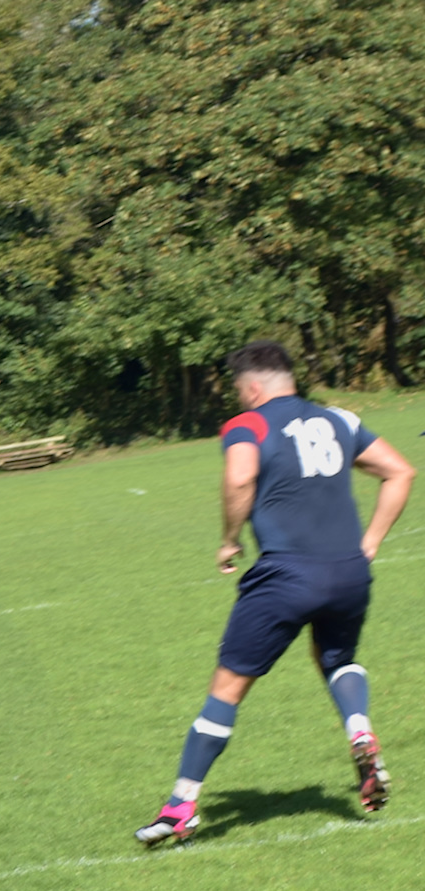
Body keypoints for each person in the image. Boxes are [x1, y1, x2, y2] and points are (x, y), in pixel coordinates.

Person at [135, 340, 415, 846]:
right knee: (336, 659)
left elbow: (240, 479)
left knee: (227, 689)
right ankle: (358, 729)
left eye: (240, 390)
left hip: (286, 575)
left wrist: (228, 540)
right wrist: (368, 543)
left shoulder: (249, 425)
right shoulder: (340, 419)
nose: (240, 399)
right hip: (349, 571)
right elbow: (401, 471)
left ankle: (180, 807)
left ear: (254, 385)